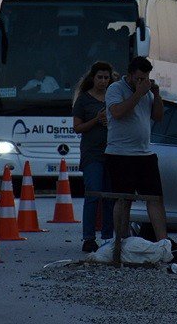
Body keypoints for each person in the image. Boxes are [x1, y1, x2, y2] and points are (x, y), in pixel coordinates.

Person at [104, 56, 177, 262]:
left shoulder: (147, 92)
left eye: (145, 78)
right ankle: (120, 244)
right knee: (124, 199)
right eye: (138, 78)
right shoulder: (115, 89)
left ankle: (164, 244)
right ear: (129, 75)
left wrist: (155, 95)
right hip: (120, 154)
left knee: (155, 198)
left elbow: (158, 116)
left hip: (144, 154)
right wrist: (138, 93)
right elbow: (117, 112)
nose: (142, 82)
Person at [72, 61, 115, 252]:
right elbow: (77, 127)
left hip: (113, 153)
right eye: (100, 77)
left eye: (106, 78)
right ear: (93, 78)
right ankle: (88, 237)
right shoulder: (83, 100)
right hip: (92, 154)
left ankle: (108, 237)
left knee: (109, 197)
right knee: (93, 194)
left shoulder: (114, 97)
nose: (103, 81)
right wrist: (96, 120)